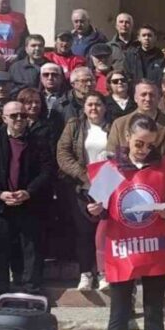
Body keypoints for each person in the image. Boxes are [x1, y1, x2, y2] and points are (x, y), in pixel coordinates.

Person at [93, 114, 165, 330]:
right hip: (122, 250)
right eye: (139, 143)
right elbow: (96, 207)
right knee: (119, 315)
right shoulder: (111, 169)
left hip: (154, 246)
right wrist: (92, 210)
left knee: (154, 313)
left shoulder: (163, 168)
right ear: (127, 137)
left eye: (149, 145)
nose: (143, 150)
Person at [0, 100, 56, 299]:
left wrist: (29, 192)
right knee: (0, 249)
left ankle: (31, 290)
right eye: (14, 116)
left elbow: (47, 171)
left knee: (31, 248)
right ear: (4, 118)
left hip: (30, 203)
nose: (20, 119)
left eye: (23, 115)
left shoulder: (39, 141)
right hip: (1, 205)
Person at [57, 91, 111, 290]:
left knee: (104, 231)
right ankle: (86, 273)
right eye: (90, 105)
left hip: (107, 184)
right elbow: (63, 153)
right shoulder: (74, 126)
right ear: (84, 108)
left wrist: (105, 180)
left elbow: (121, 153)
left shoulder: (113, 127)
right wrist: (83, 175)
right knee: (84, 232)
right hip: (81, 186)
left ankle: (105, 272)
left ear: (105, 107)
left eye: (98, 104)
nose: (94, 108)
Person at [106, 80, 165, 171]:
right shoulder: (119, 124)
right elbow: (112, 154)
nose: (148, 99)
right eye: (143, 94)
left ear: (159, 98)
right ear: (135, 98)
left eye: (152, 95)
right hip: (128, 180)